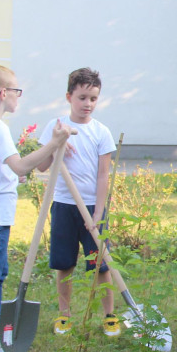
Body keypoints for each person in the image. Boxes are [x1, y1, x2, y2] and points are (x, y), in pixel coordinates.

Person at [0, 61, 75, 352]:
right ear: (2, 92)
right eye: (17, 91)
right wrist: (54, 142)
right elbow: (22, 165)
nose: (18, 96)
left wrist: (5, 174)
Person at [37, 68, 118, 336]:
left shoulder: (101, 132)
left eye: (93, 99)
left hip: (93, 209)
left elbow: (103, 175)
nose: (88, 104)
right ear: (69, 96)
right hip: (63, 205)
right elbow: (42, 167)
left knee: (101, 264)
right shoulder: (56, 126)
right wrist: (56, 143)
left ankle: (109, 315)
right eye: (82, 98)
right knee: (64, 264)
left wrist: (98, 212)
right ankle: (64, 315)